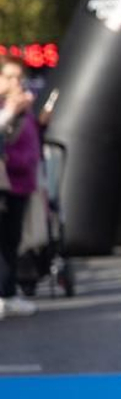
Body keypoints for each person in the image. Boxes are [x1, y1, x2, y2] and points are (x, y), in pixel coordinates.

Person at [0, 66, 38, 319]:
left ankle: (9, 292)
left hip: (20, 181)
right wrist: (10, 112)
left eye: (19, 78)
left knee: (11, 240)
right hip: (5, 178)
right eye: (9, 77)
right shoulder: (9, 108)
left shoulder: (22, 107)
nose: (16, 83)